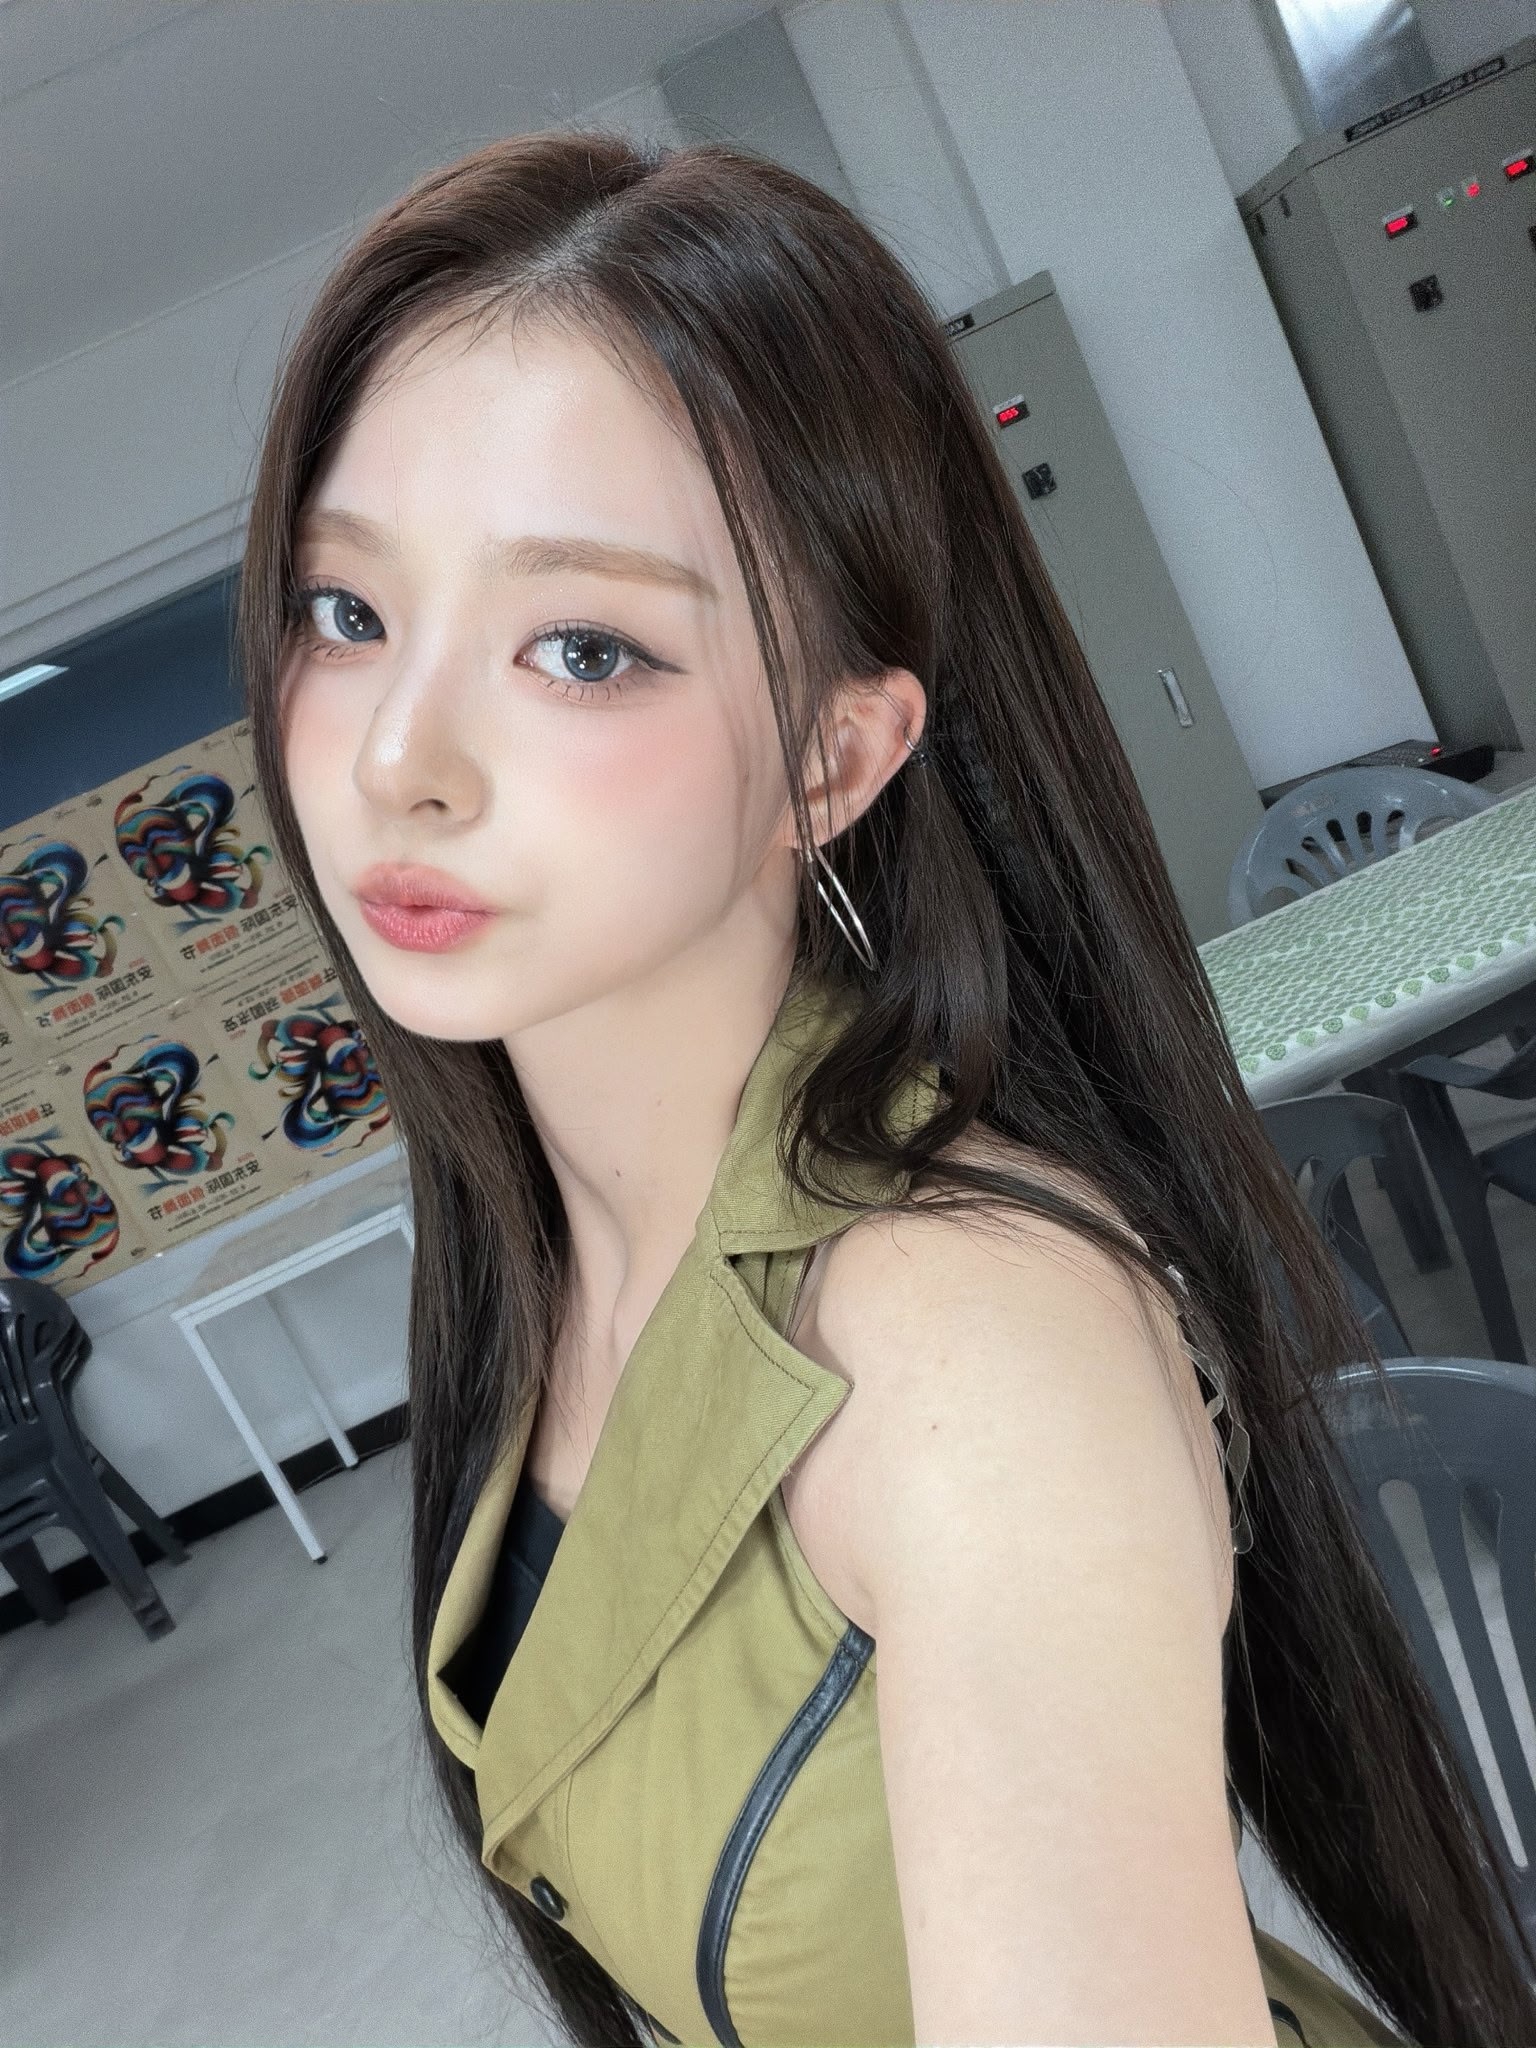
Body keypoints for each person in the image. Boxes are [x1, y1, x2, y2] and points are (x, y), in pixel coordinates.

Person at [237, 131, 1533, 2047]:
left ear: (836, 758)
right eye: (348, 613)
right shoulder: (545, 1251)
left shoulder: (962, 1340)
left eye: (580, 648)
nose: (393, 760)